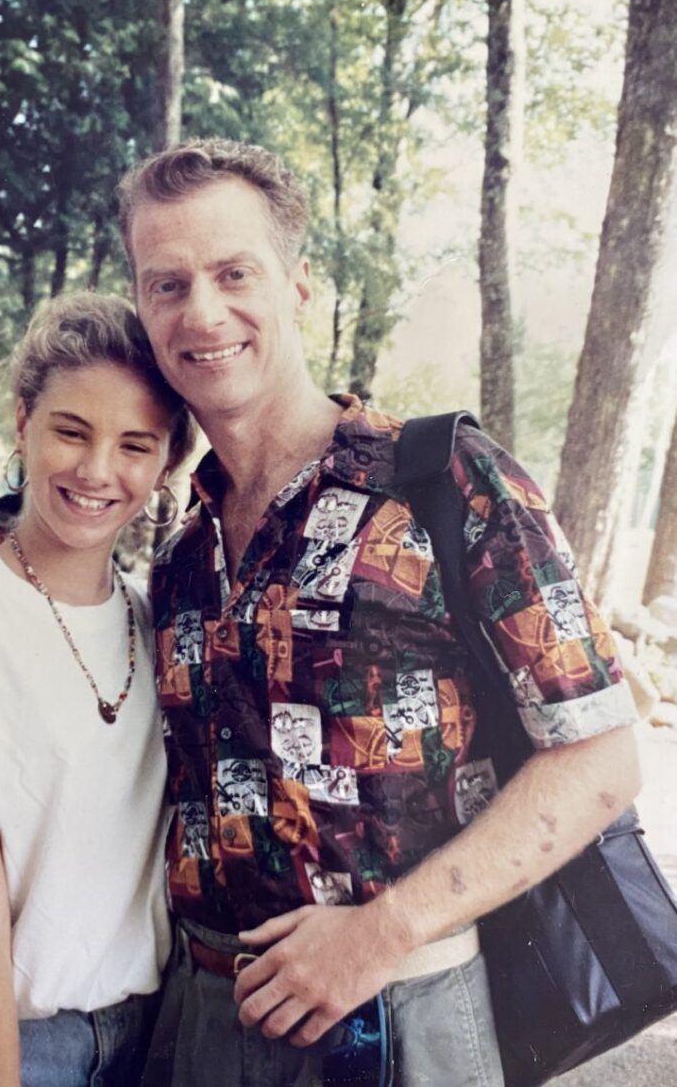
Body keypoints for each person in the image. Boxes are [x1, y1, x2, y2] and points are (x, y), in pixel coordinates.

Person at [116, 138, 642, 1087]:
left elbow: (600, 758)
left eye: (235, 272)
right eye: (168, 284)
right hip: (202, 1020)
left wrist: (377, 933)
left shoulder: (444, 482)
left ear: (299, 285)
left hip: (400, 1011)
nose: (202, 311)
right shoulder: (182, 556)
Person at [0, 291, 195, 1087]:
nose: (96, 470)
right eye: (71, 430)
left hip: (149, 1042)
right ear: (23, 423)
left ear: (165, 464)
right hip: (4, 1048)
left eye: (135, 444)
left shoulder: (158, 620)